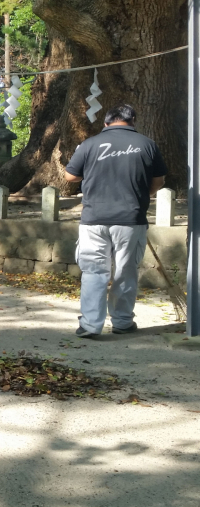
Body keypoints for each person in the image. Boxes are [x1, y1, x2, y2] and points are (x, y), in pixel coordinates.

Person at [64, 103, 167, 337]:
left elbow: (70, 175)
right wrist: (140, 195)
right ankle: (121, 322)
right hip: (131, 218)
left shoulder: (89, 144)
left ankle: (91, 325)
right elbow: (159, 181)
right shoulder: (147, 144)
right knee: (126, 271)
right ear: (133, 121)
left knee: (94, 272)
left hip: (94, 219)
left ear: (106, 122)